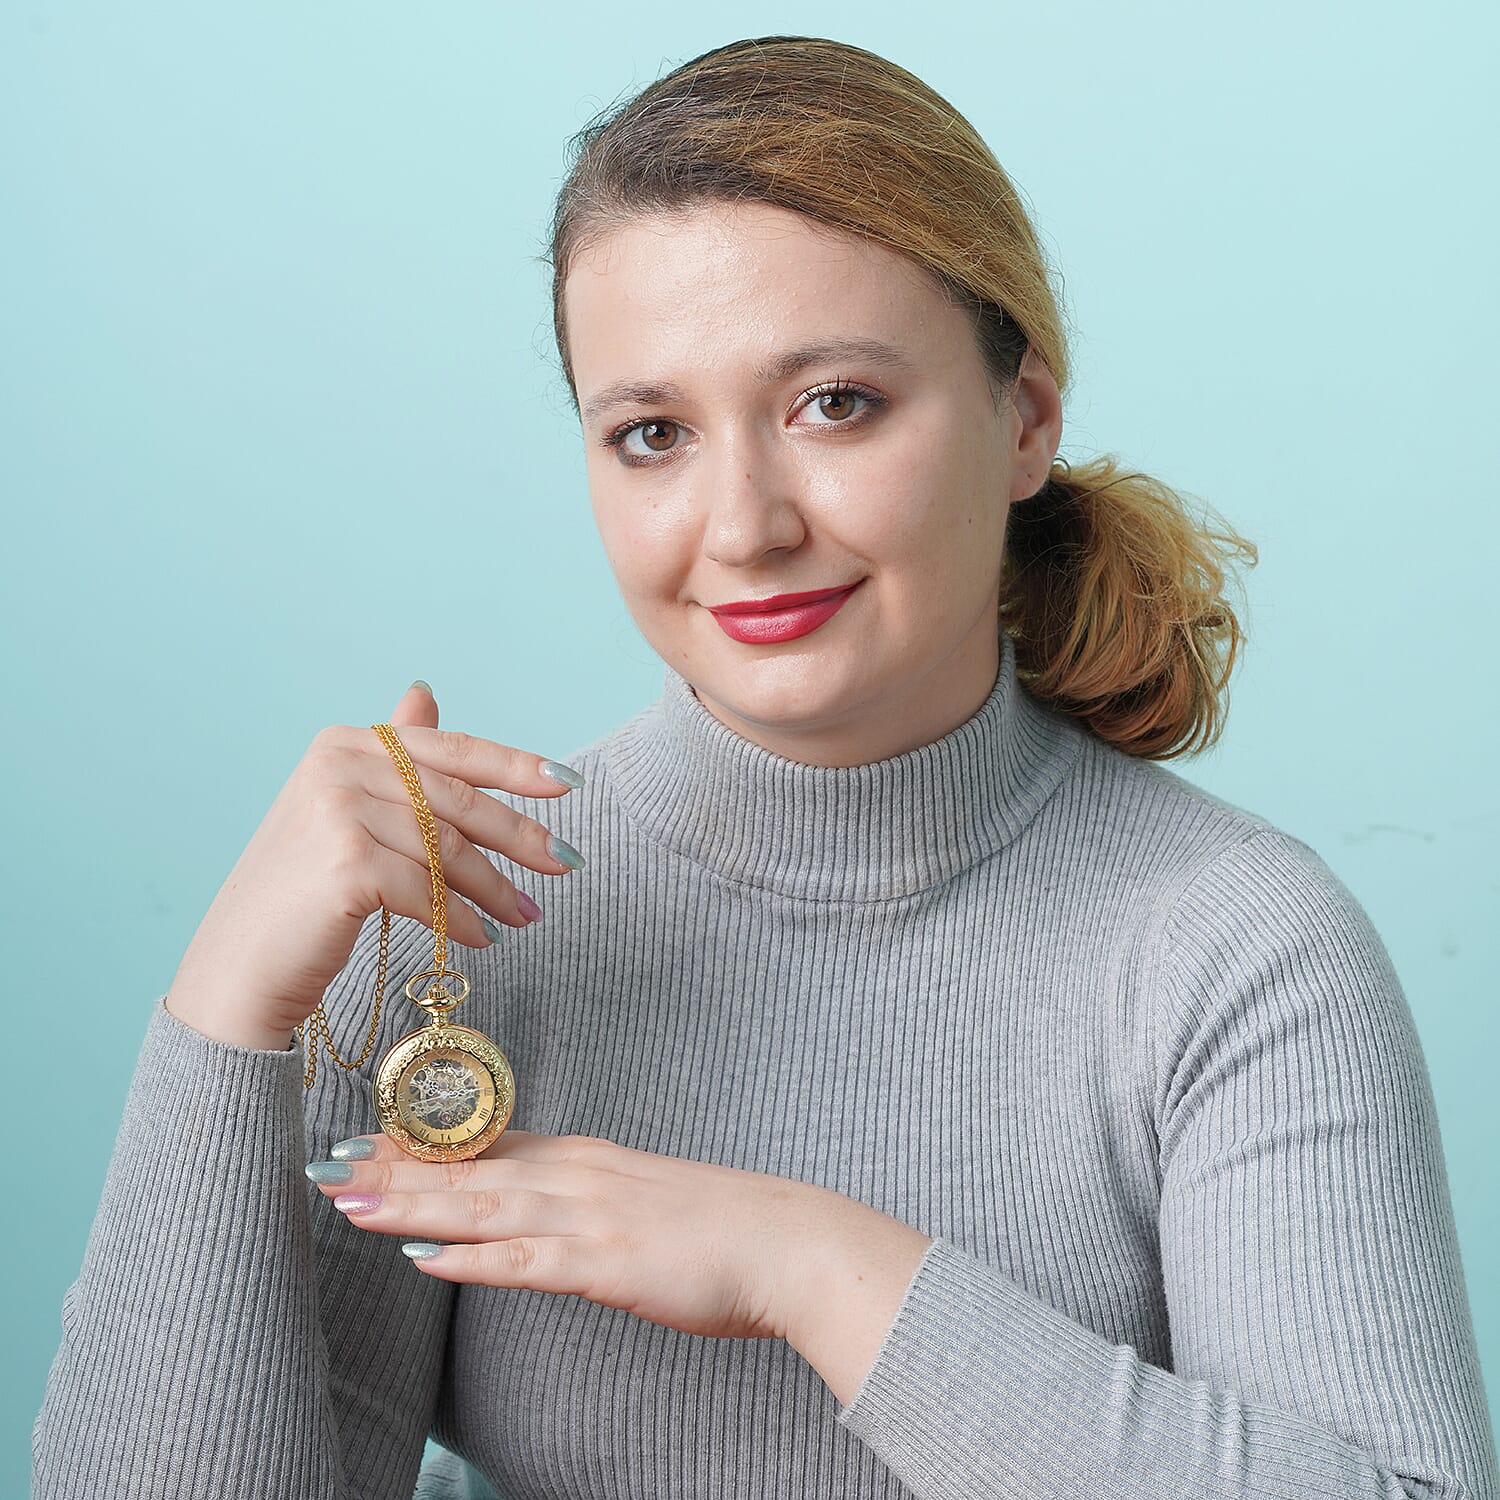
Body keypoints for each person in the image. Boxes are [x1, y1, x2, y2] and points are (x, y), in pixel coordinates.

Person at [32, 32, 1498, 1500]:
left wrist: (814, 1270)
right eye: (651, 433)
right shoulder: (447, 925)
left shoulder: (1239, 947)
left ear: (1025, 423)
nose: (743, 526)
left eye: (834, 403)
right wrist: (225, 1015)